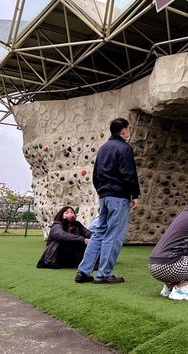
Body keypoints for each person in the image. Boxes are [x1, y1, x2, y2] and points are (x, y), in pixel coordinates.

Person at [75, 117, 140, 284]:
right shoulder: (124, 148)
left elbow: (95, 174)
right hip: (118, 196)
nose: (129, 132)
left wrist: (102, 191)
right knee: (114, 235)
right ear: (124, 130)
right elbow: (128, 173)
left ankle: (83, 271)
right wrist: (135, 194)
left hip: (104, 196)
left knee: (99, 233)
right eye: (128, 129)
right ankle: (104, 274)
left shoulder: (103, 149)